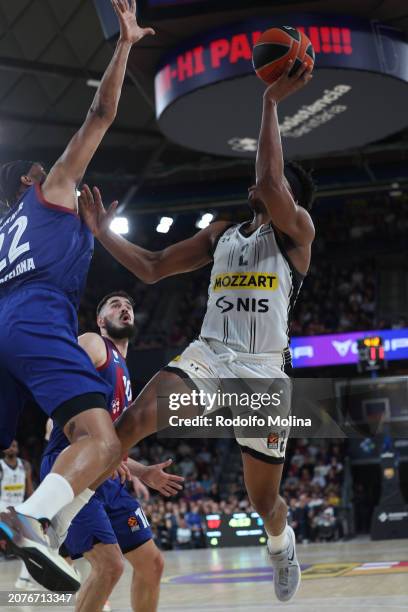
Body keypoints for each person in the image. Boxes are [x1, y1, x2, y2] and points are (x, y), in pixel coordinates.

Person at [80, 59, 314, 602]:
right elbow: (153, 265)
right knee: (134, 419)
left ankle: (281, 544)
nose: (258, 188)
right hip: (210, 354)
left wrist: (271, 102)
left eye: (274, 186)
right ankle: (59, 513)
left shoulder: (298, 232)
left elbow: (270, 181)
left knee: (263, 502)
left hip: (261, 374)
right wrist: (100, 235)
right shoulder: (221, 234)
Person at [0, 0, 154, 592]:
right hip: (37, 316)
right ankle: (33, 518)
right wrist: (124, 45)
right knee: (102, 440)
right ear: (27, 182)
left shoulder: (13, 230)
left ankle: (50, 525)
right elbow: (102, 112)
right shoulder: (47, 192)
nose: (51, 172)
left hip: (8, 320)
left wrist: (91, 239)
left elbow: (50, 261)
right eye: (42, 170)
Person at [41, 292, 183, 612]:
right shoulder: (94, 343)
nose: (125, 309)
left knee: (152, 564)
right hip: (73, 469)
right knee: (110, 566)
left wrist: (142, 471)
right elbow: (62, 387)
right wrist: (59, 423)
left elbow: (109, 445)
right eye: (116, 305)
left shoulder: (125, 373)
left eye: (130, 306)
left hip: (106, 477)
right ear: (102, 320)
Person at [0, 440, 36, 590]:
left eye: (14, 445)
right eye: (8, 446)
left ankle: (23, 578)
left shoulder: (25, 465)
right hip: (2, 507)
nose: (11, 448)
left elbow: (29, 490)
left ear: (18, 448)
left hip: (18, 508)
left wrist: (35, 507)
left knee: (31, 544)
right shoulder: (1, 466)